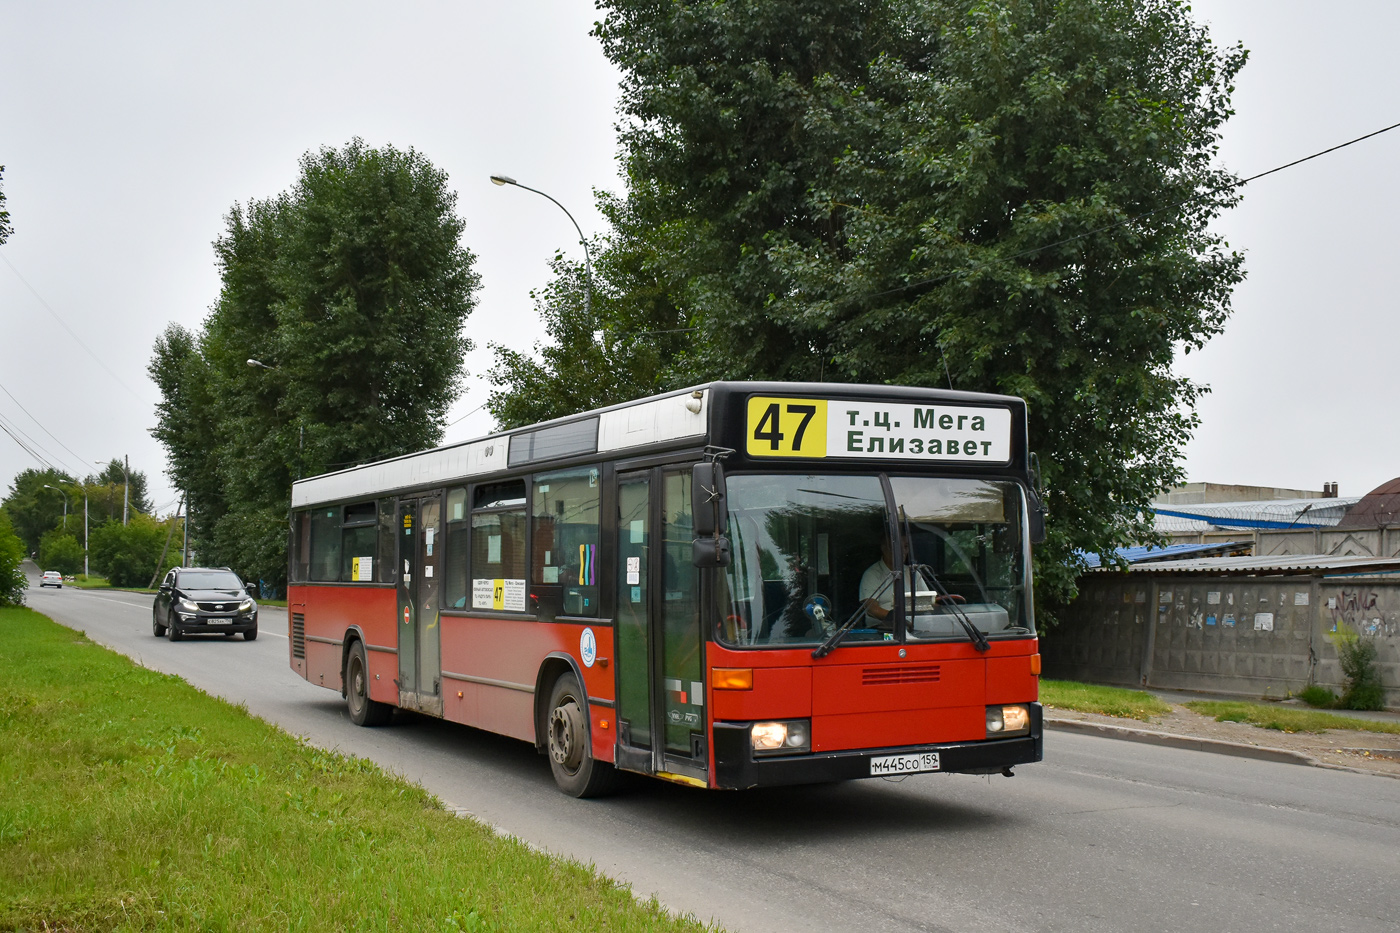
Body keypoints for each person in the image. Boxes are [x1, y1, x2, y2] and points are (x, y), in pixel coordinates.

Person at [858, 536, 913, 628]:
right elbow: (871, 609)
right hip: (881, 630)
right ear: (884, 548)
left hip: (915, 627)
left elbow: (930, 602)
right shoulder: (872, 574)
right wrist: (899, 619)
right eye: (897, 547)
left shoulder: (913, 573)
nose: (902, 551)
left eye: (906, 547)